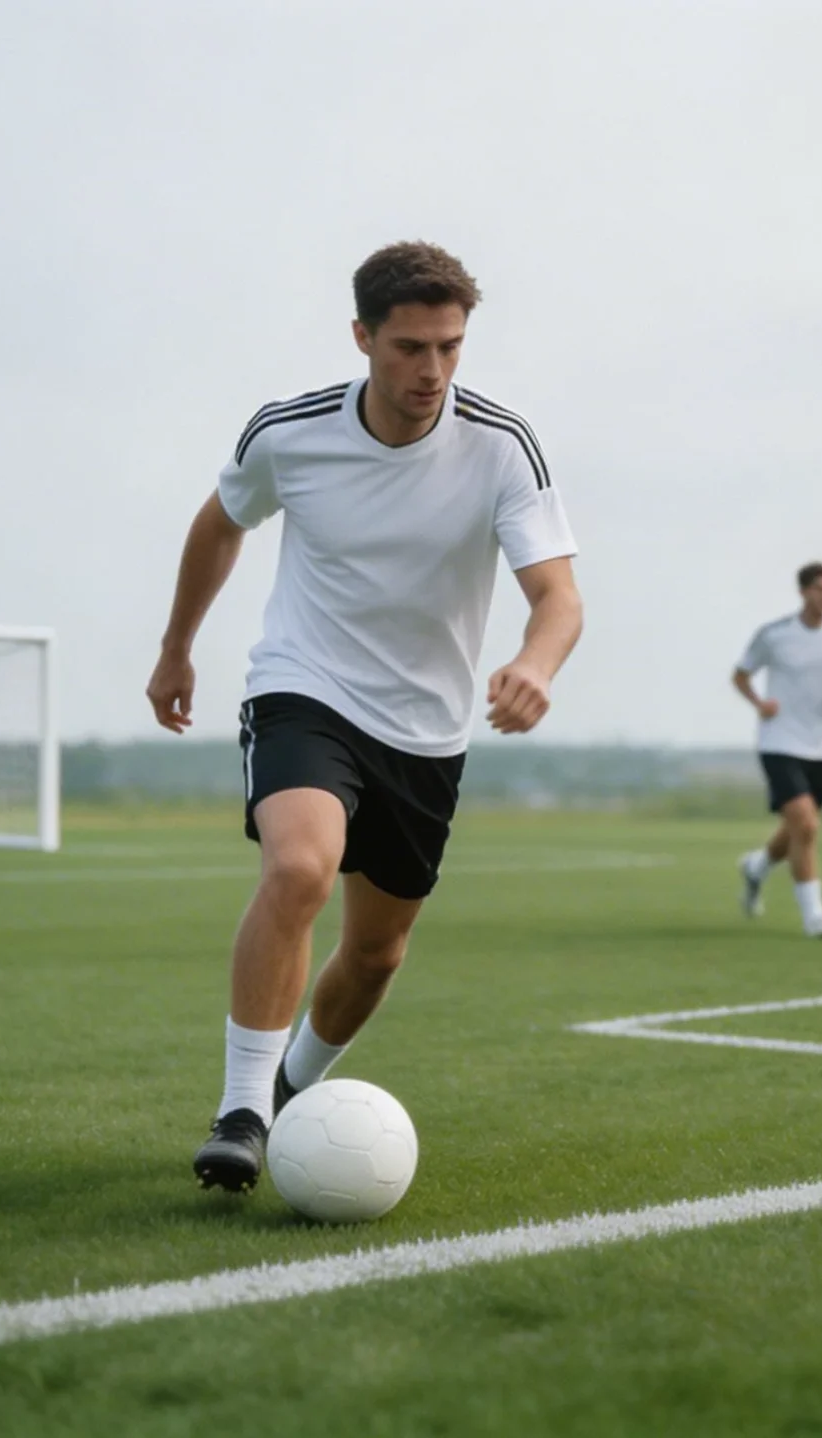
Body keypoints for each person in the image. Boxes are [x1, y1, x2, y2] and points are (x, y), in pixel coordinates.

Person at [145, 241, 583, 1192]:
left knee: (378, 953)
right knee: (299, 866)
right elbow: (220, 524)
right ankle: (241, 1113)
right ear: (362, 338)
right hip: (305, 687)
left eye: (450, 347)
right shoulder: (289, 432)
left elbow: (558, 597)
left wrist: (534, 664)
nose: (433, 370)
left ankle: (291, 1091)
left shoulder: (500, 445)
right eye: (410, 348)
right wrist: (177, 646)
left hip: (425, 728)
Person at [731, 563, 822, 938]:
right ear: (803, 592)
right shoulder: (775, 635)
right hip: (779, 741)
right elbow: (740, 675)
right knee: (807, 825)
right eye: (819, 589)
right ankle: (815, 917)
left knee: (800, 828)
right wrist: (759, 703)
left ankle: (757, 867)